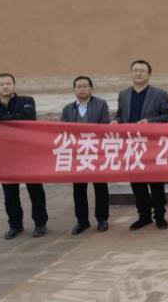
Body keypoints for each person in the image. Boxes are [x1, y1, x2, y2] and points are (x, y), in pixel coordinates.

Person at [0, 73, 47, 239]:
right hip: (7, 159)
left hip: (29, 155)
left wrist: (0, 119)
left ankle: (40, 223)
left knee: (36, 191)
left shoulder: (27, 102)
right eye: (1, 84)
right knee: (10, 195)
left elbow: (27, 118)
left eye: (8, 83)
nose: (5, 86)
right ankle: (15, 225)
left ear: (14, 85)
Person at [112, 60, 168, 230]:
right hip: (131, 146)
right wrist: (116, 122)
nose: (138, 73)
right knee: (137, 183)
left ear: (149, 74)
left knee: (156, 184)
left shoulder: (159, 94)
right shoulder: (123, 95)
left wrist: (150, 122)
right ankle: (144, 216)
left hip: (152, 146)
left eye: (142, 70)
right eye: (135, 70)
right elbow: (120, 115)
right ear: (131, 73)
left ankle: (160, 216)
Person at [60, 76, 111, 235]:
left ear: (91, 88)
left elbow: (105, 124)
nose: (81, 89)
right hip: (77, 154)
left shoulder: (101, 104)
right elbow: (63, 130)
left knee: (100, 187)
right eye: (78, 86)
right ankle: (82, 221)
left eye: (84, 86)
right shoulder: (68, 109)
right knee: (79, 189)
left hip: (96, 152)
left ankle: (102, 219)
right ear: (74, 90)